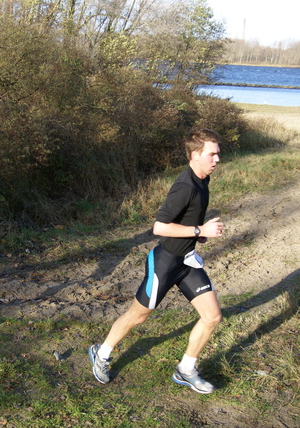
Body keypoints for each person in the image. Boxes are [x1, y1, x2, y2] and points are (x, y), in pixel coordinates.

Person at [88, 128, 225, 393]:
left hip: (187, 261)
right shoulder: (184, 186)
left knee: (212, 316)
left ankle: (186, 369)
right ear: (196, 155)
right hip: (165, 263)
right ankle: (101, 353)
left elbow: (185, 220)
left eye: (218, 154)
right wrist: (200, 231)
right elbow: (160, 227)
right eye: (212, 154)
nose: (217, 159)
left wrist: (198, 235)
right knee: (138, 316)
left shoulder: (202, 180)